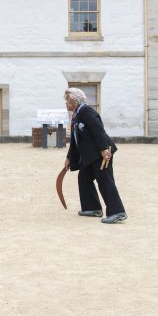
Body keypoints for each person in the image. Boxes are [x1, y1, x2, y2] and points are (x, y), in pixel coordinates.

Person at [64, 87, 127, 224]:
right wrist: (69, 157)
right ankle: (92, 208)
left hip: (101, 153)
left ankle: (117, 212)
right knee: (84, 178)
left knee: (105, 181)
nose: (66, 104)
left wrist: (104, 149)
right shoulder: (77, 114)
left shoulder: (87, 112)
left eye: (67, 101)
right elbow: (76, 139)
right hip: (90, 156)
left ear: (75, 101)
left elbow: (98, 130)